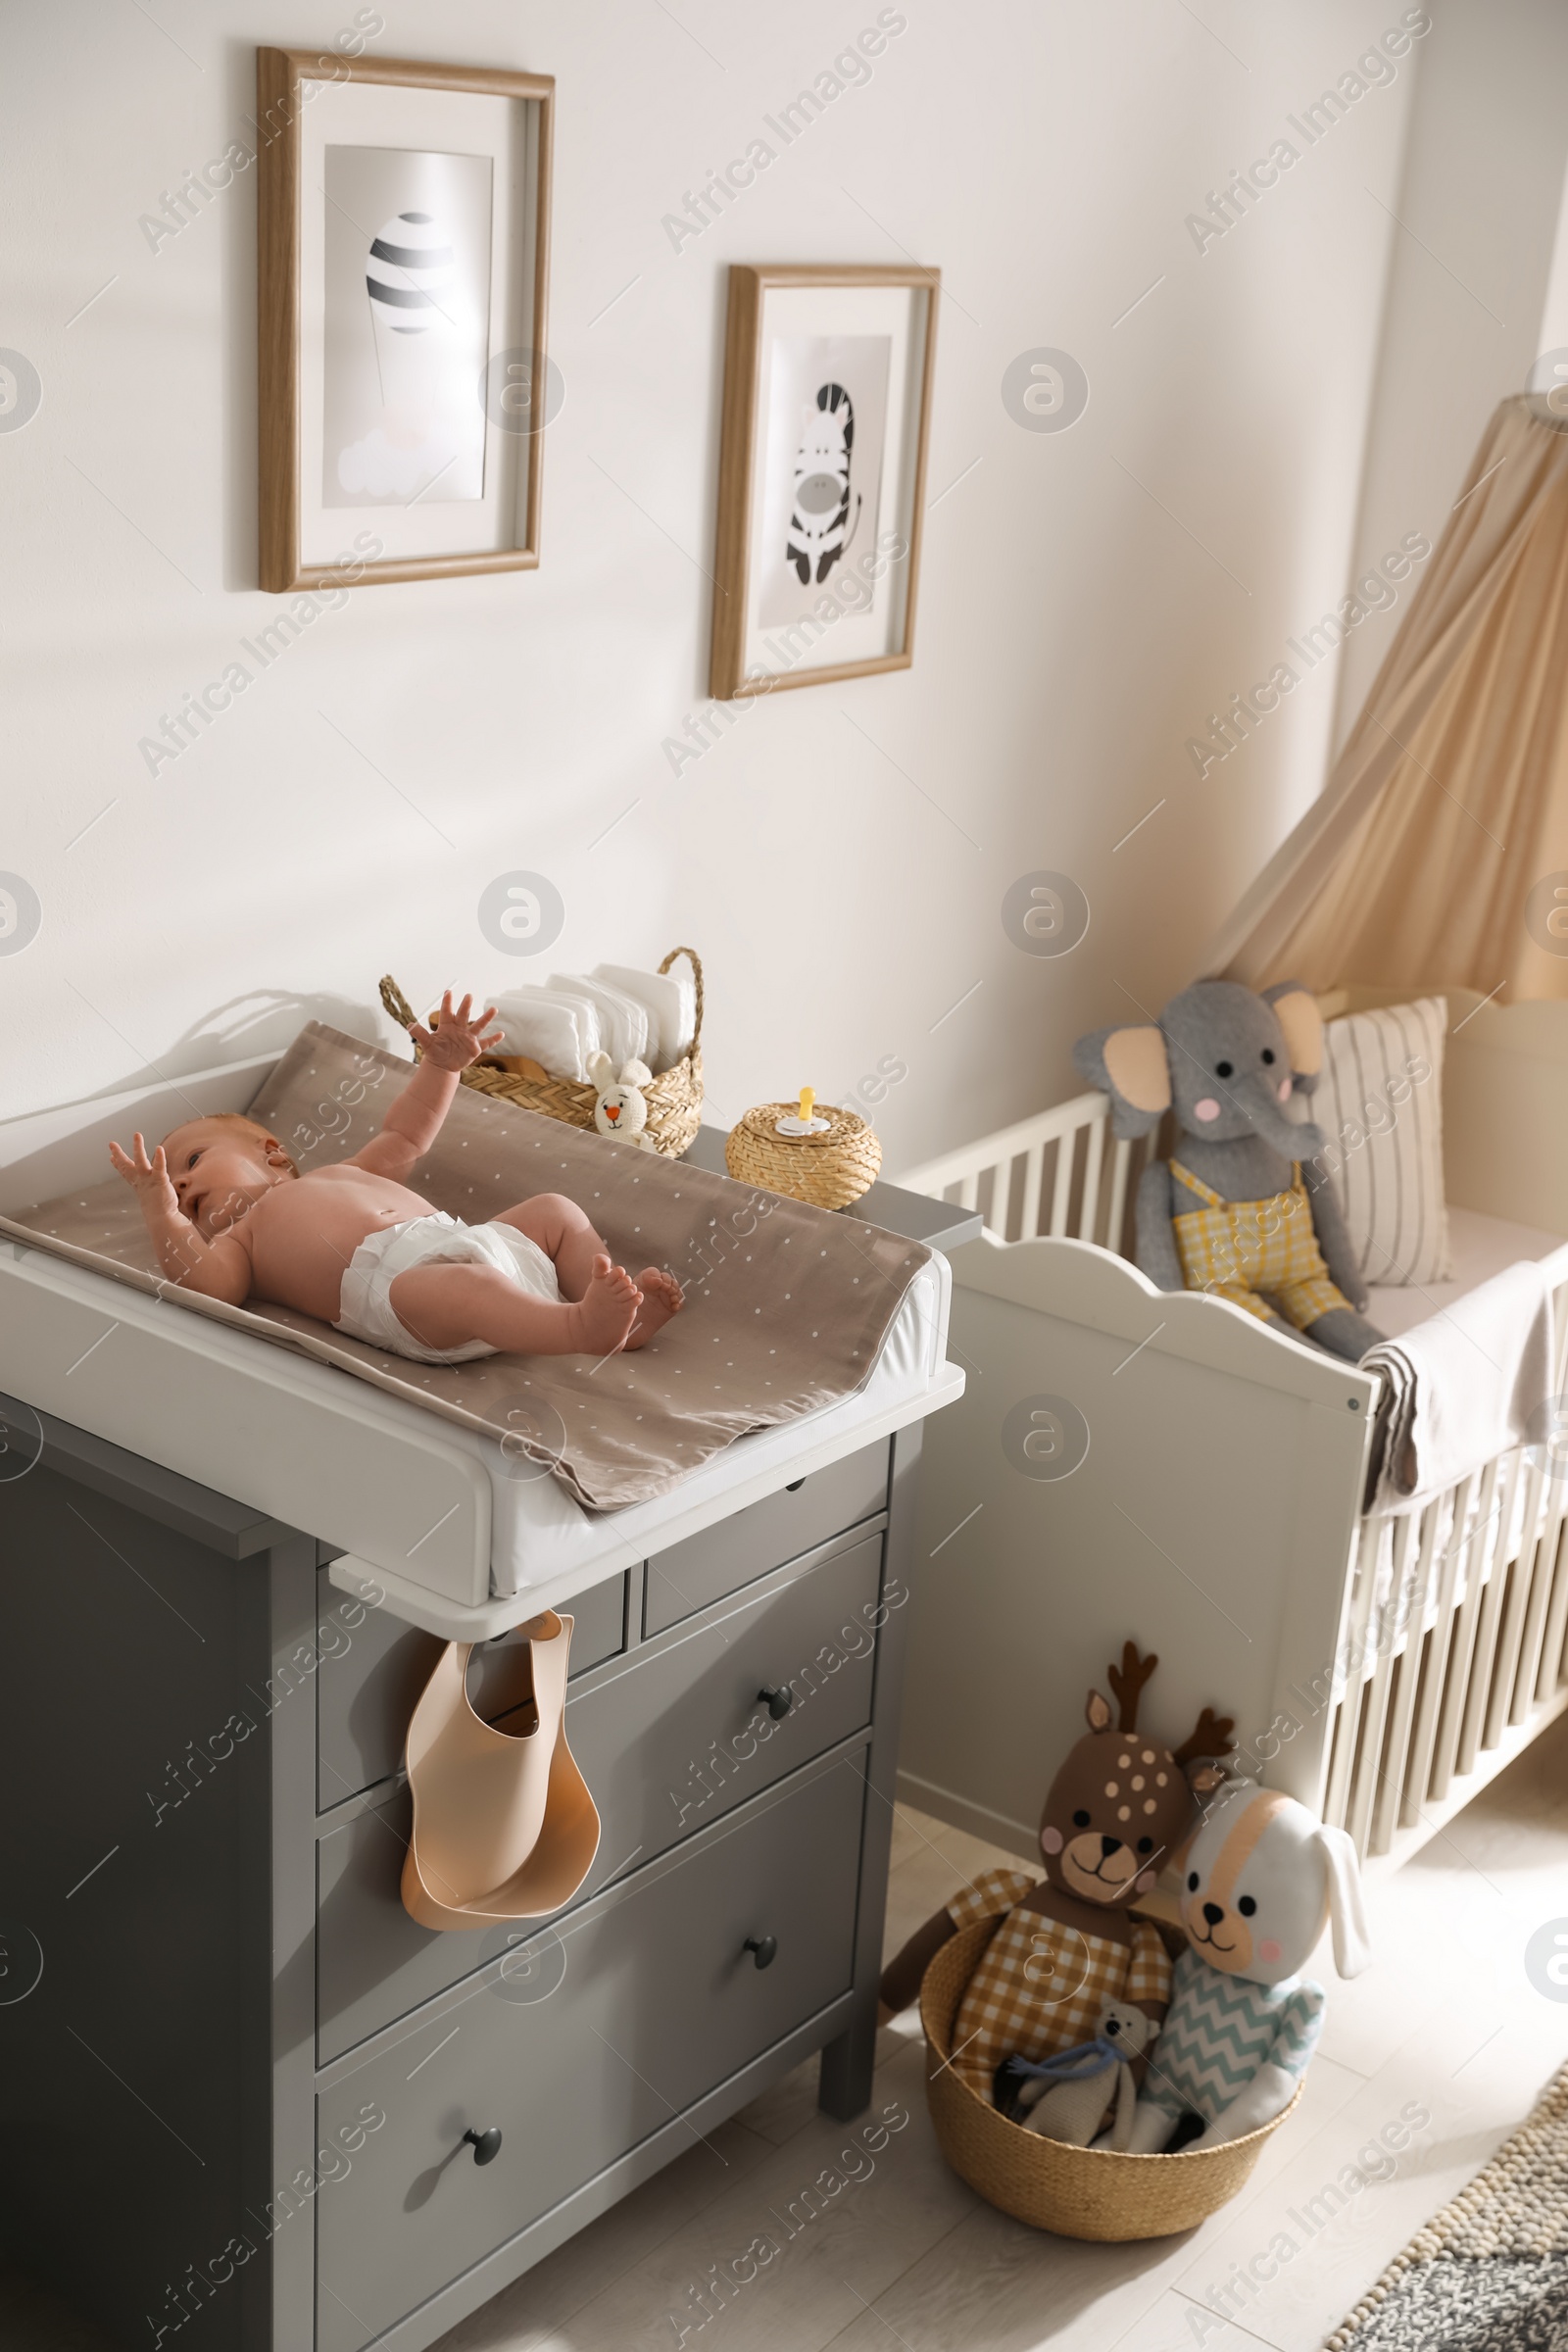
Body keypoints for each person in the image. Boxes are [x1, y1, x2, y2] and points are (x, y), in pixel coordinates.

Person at [109, 993, 683, 1363]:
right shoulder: (243, 1241)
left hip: (469, 1241)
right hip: (406, 1296)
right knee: (473, 1288)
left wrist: (441, 1067)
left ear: (274, 1153)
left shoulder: (346, 1170)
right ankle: (577, 1328)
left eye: (188, 1164)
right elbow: (207, 1283)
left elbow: (407, 1134)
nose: (180, 1190)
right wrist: (160, 1214)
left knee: (555, 1211)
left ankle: (618, 1317)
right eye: (178, 1199)